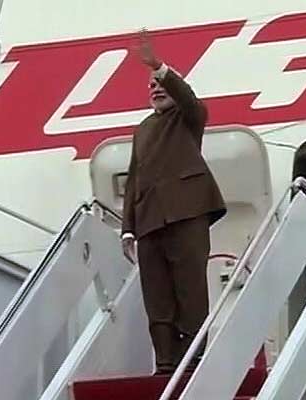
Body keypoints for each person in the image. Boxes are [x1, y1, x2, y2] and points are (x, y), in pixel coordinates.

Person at [121, 30, 226, 375]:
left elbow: (187, 97)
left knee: (190, 287)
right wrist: (127, 229)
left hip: (187, 211)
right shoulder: (142, 130)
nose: (155, 88)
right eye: (150, 85)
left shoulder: (189, 116)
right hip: (149, 219)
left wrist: (159, 66)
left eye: (161, 83)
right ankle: (165, 363)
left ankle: (194, 357)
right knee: (157, 295)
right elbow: (134, 178)